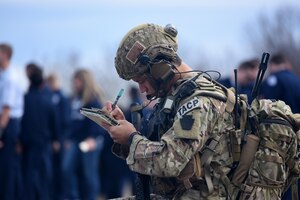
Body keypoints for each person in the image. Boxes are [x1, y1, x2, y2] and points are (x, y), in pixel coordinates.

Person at [100, 23, 281, 199]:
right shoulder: (176, 96)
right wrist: (123, 132)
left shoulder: (198, 101)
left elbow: (169, 161)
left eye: (142, 80)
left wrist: (131, 138)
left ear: (159, 69)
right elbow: (155, 153)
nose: (142, 90)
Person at [62, 69, 106, 200]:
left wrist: (92, 138)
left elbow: (98, 122)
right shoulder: (75, 100)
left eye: (78, 80)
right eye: (75, 80)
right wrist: (69, 138)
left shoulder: (93, 100)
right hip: (76, 141)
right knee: (66, 169)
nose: (75, 83)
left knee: (89, 174)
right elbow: (73, 122)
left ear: (85, 81)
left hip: (90, 141)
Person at [20, 63, 59, 200]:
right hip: (44, 145)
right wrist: (55, 140)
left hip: (28, 145)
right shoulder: (48, 101)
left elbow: (21, 122)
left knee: (29, 179)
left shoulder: (24, 99)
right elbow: (54, 123)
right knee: (44, 179)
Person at [0, 43, 24, 200]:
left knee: (7, 167)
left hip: (8, 124)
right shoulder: (3, 75)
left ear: (5, 54)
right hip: (4, 123)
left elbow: (6, 110)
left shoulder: (10, 77)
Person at [46, 73, 71, 200]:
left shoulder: (62, 98)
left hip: (60, 139)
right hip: (51, 139)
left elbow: (64, 121)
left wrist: (59, 139)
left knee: (61, 169)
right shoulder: (49, 97)